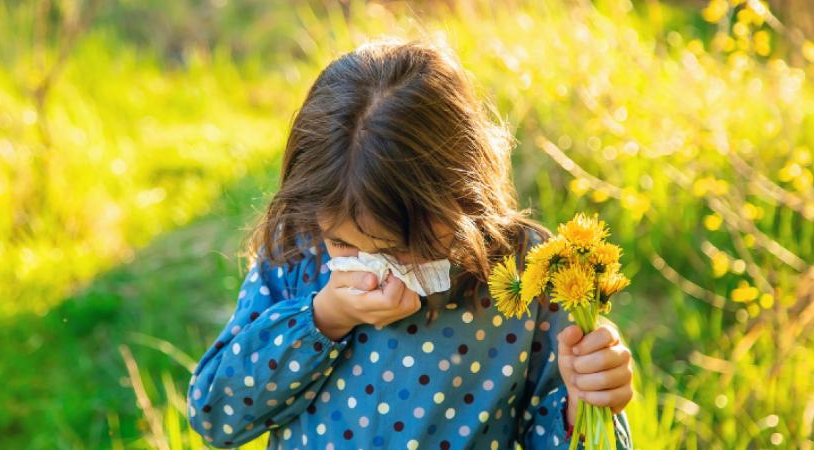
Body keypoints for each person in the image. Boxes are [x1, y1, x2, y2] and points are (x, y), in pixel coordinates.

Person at [186, 37, 633, 449]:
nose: (377, 271)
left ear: (463, 197)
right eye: (345, 245)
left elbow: (553, 432)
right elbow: (215, 417)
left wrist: (584, 401)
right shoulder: (300, 252)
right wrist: (322, 319)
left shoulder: (523, 274)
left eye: (404, 249)